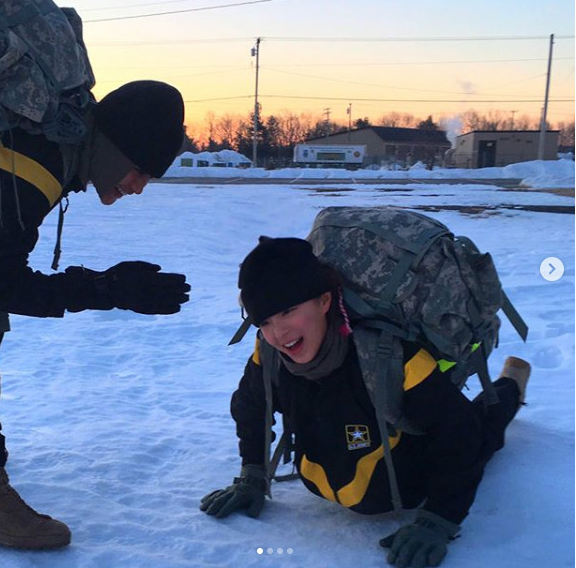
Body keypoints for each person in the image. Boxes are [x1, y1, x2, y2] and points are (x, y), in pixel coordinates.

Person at [200, 237, 531, 568]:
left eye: (289, 311)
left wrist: (438, 520)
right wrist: (252, 473)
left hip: (410, 481)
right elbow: (251, 407)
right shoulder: (270, 354)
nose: (278, 333)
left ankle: (511, 384)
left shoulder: (387, 360)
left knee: (481, 427)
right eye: (265, 321)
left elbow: (461, 435)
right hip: (330, 478)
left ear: (324, 301)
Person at [0, 79, 191, 549]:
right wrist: (103, 288)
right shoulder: (30, 165)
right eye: (141, 171)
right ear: (115, 150)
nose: (138, 188)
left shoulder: (47, 145)